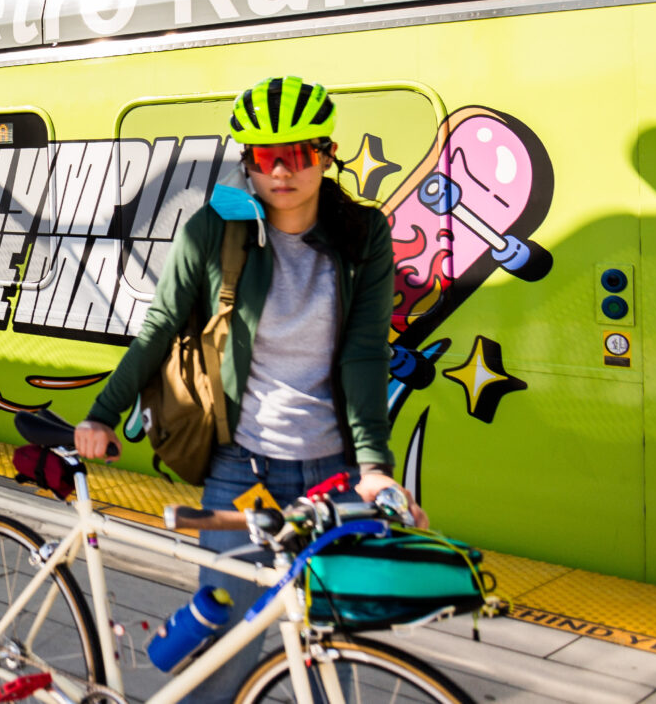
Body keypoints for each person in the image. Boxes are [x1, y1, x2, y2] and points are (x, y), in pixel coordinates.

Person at [75, 75, 426, 702]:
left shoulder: (363, 236)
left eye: (298, 155)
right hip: (243, 472)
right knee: (228, 649)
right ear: (249, 163)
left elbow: (366, 353)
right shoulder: (215, 231)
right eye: (266, 158)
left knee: (330, 645)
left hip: (333, 474)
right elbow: (158, 326)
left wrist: (374, 466)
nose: (282, 173)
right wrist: (103, 414)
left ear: (325, 154)